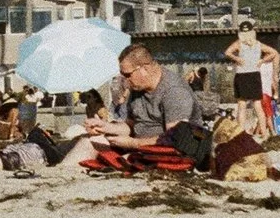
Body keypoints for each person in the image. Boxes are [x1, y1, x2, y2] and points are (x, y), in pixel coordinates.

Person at [60, 45, 199, 173]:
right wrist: (105, 127)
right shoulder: (138, 88)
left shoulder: (175, 92)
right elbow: (132, 126)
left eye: (127, 75)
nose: (126, 81)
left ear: (144, 68)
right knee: (89, 141)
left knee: (123, 161)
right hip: (139, 148)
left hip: (167, 154)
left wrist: (133, 143)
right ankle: (63, 175)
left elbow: (175, 139)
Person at [226, 27, 278, 135]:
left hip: (242, 75)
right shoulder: (258, 44)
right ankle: (264, 133)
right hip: (254, 75)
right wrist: (262, 60)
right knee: (258, 105)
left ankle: (241, 134)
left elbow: (227, 52)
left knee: (242, 106)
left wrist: (237, 58)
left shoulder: (239, 43)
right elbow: (274, 52)